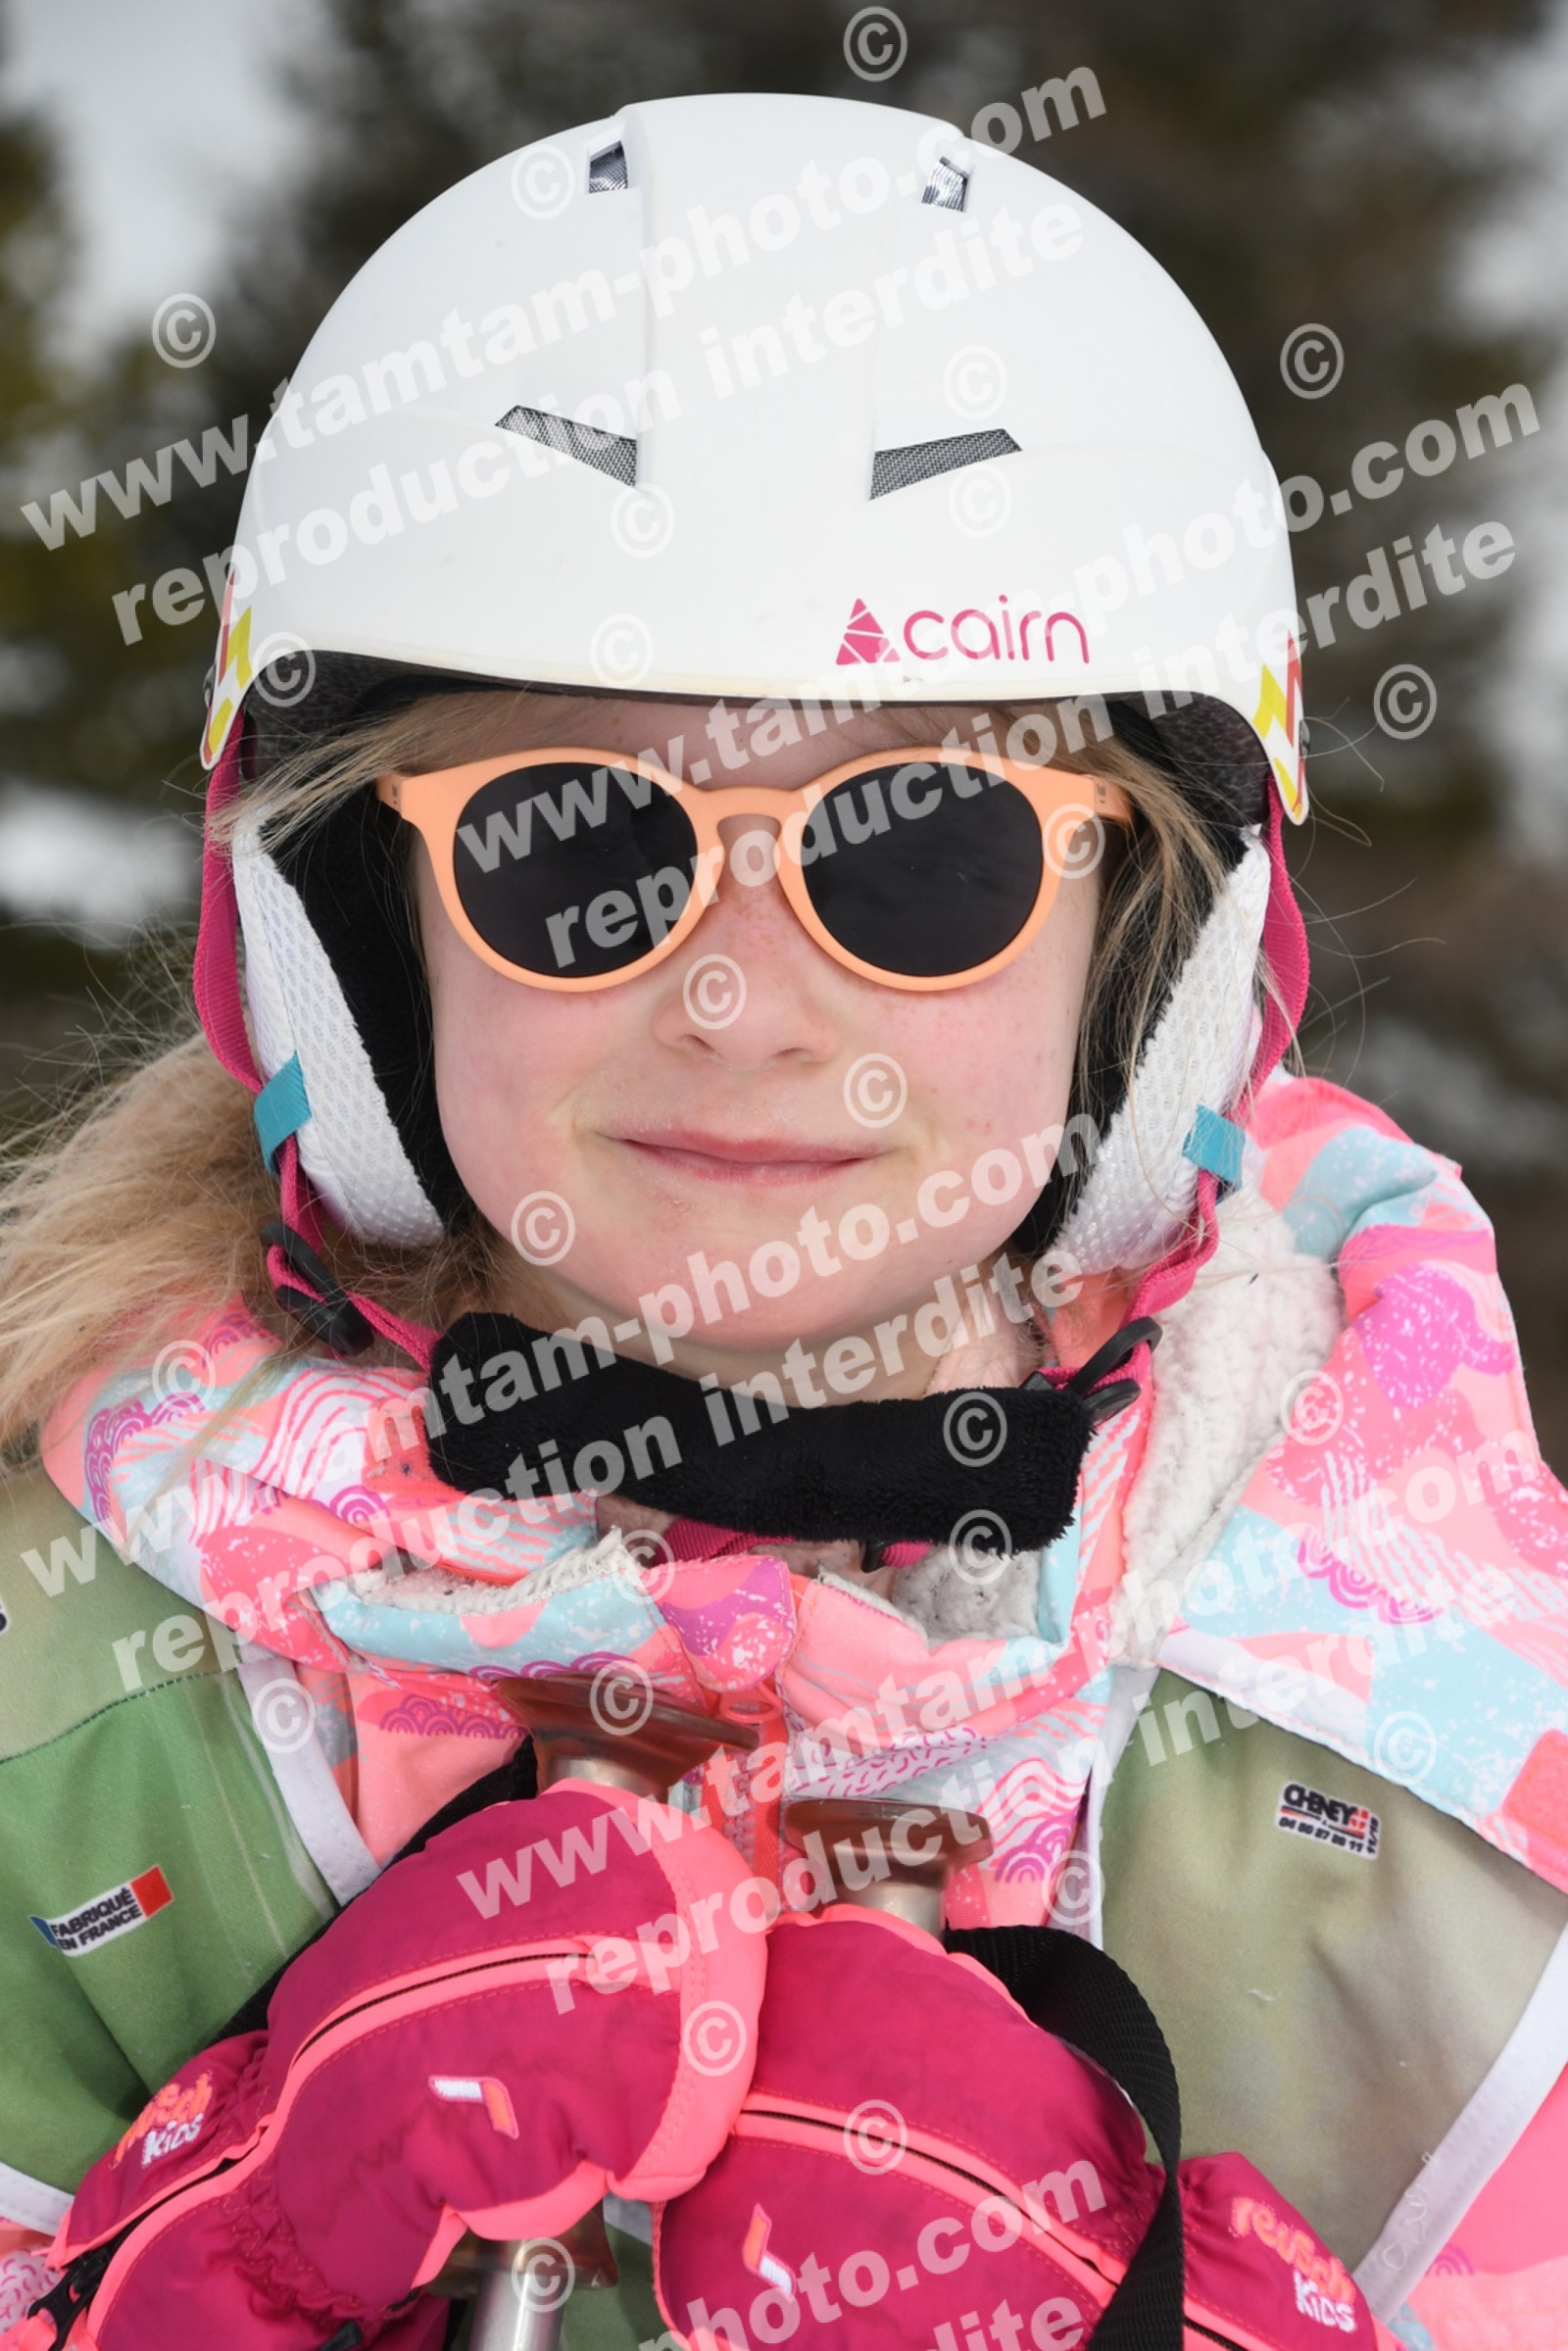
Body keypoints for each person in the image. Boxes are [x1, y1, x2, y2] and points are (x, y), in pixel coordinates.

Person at [1, 90, 1564, 2351]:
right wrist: (221, 2265)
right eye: (573, 846)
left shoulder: (1433, 1757)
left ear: (1142, 956)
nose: (736, 1004)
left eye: (918, 849)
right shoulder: (72, 1710)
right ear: (351, 940)